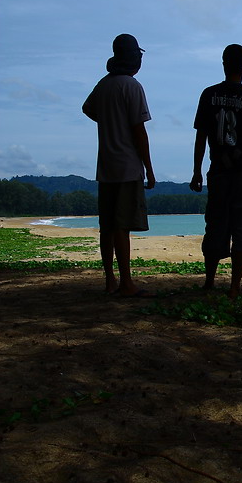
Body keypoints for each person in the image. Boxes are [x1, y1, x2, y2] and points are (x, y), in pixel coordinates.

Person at [190, 44, 242, 299]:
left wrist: (196, 171)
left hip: (218, 172)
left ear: (224, 64)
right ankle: (235, 286)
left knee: (216, 226)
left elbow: (201, 137)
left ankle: (210, 281)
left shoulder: (208, 95)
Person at [82, 33, 155, 297]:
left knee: (108, 227)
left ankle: (110, 280)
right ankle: (126, 282)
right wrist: (148, 167)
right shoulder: (132, 87)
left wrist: (108, 120)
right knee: (122, 227)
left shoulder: (104, 85)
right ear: (133, 59)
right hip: (127, 166)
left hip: (106, 166)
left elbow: (87, 108)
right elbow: (139, 132)